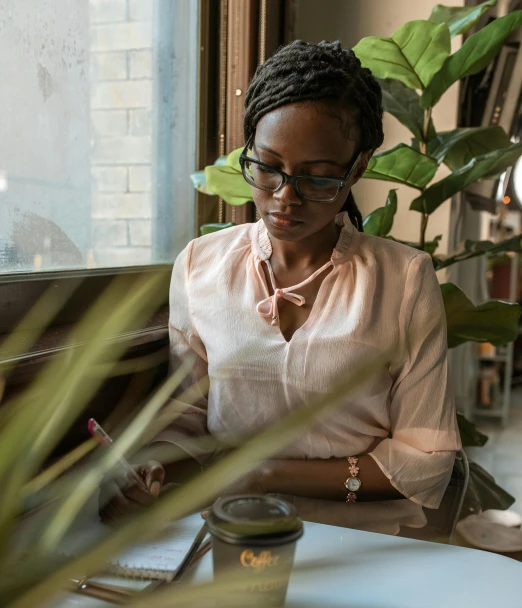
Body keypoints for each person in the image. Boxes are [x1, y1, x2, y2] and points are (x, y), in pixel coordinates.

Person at [101, 40, 461, 535]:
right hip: (231, 532)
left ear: (356, 168)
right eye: (267, 167)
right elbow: (187, 418)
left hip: (362, 542)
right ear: (248, 149)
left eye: (318, 179)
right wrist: (152, 470)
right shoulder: (200, 268)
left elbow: (428, 459)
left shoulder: (403, 282)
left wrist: (266, 473)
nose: (284, 198)